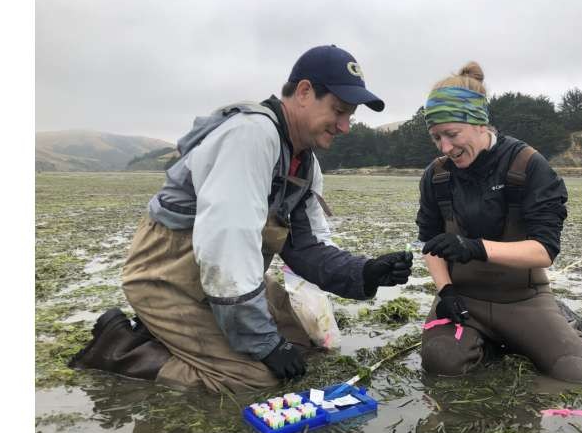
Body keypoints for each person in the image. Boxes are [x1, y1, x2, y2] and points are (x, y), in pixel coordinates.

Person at [70, 45, 413, 393]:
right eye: (339, 111)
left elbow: (305, 248)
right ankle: (120, 348)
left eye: (349, 116)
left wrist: (363, 272)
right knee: (254, 377)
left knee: (304, 348)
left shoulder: (304, 164)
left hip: (219, 278)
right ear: (305, 92)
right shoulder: (251, 136)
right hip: (167, 274)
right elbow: (227, 251)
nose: (345, 126)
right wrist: (264, 343)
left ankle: (170, 336)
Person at [415, 62, 582, 382]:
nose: (446, 147)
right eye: (436, 138)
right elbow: (430, 244)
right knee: (441, 362)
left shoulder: (528, 165)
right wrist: (446, 292)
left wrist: (474, 247)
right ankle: (487, 342)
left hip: (522, 298)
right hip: (464, 301)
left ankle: (565, 321)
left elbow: (544, 251)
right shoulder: (437, 176)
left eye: (451, 134)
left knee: (577, 372)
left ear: (479, 122)